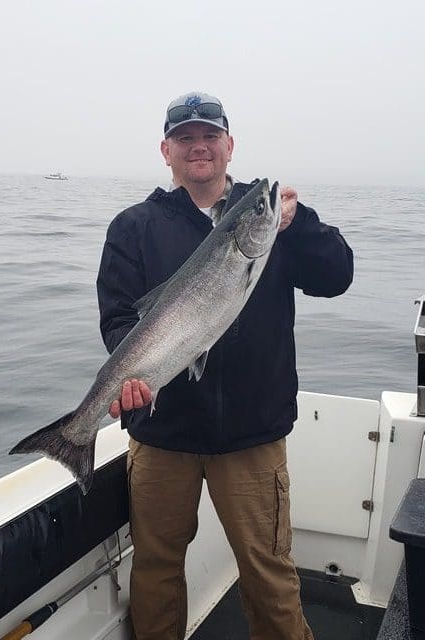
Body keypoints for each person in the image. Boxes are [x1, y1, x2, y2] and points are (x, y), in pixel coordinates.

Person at [96, 91, 353, 640]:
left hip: (252, 433)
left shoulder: (270, 219)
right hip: (162, 434)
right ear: (165, 151)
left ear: (230, 145)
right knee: (157, 569)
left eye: (209, 136)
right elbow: (118, 318)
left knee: (268, 571)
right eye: (185, 138)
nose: (199, 147)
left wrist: (298, 222)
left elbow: (338, 277)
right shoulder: (133, 226)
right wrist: (136, 376)